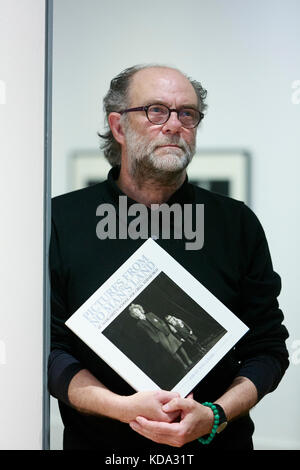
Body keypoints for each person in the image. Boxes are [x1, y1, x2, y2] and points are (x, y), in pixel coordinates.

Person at [48, 64, 289, 452]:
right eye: (156, 110)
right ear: (118, 126)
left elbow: (268, 350)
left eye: (187, 113)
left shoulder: (236, 223)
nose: (175, 124)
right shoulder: (60, 221)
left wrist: (215, 415)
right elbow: (50, 351)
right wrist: (122, 408)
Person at [128, 304, 193, 370]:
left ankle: (188, 361)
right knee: (172, 352)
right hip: (159, 336)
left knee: (179, 346)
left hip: (165, 331)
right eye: (135, 312)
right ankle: (184, 365)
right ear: (134, 315)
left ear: (140, 310)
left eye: (137, 310)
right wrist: (156, 339)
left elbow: (160, 321)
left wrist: (166, 329)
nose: (137, 312)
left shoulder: (150, 314)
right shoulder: (139, 324)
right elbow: (147, 332)